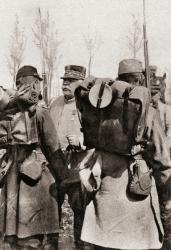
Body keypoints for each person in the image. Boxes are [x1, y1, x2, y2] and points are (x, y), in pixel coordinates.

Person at [74, 58, 171, 250]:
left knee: (104, 243)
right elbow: (161, 159)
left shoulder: (102, 106)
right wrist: (167, 197)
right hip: (136, 193)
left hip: (104, 190)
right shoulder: (147, 111)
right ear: (139, 80)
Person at [0, 65, 68, 250]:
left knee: (14, 233)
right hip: (36, 177)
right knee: (37, 231)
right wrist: (65, 179)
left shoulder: (5, 111)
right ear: (35, 84)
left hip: (12, 174)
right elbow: (53, 148)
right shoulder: (39, 111)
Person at [50, 65, 93, 250]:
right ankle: (52, 243)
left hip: (78, 164)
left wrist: (82, 141)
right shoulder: (55, 102)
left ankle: (80, 245)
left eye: (70, 81)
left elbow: (97, 135)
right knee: (52, 206)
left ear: (80, 84)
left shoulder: (88, 105)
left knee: (79, 209)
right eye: (64, 81)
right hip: (55, 163)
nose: (65, 84)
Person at [149, 65, 171, 250]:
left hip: (164, 154)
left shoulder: (165, 109)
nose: (155, 96)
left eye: (157, 92)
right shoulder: (147, 110)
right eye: (152, 92)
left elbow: (169, 131)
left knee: (166, 200)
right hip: (151, 156)